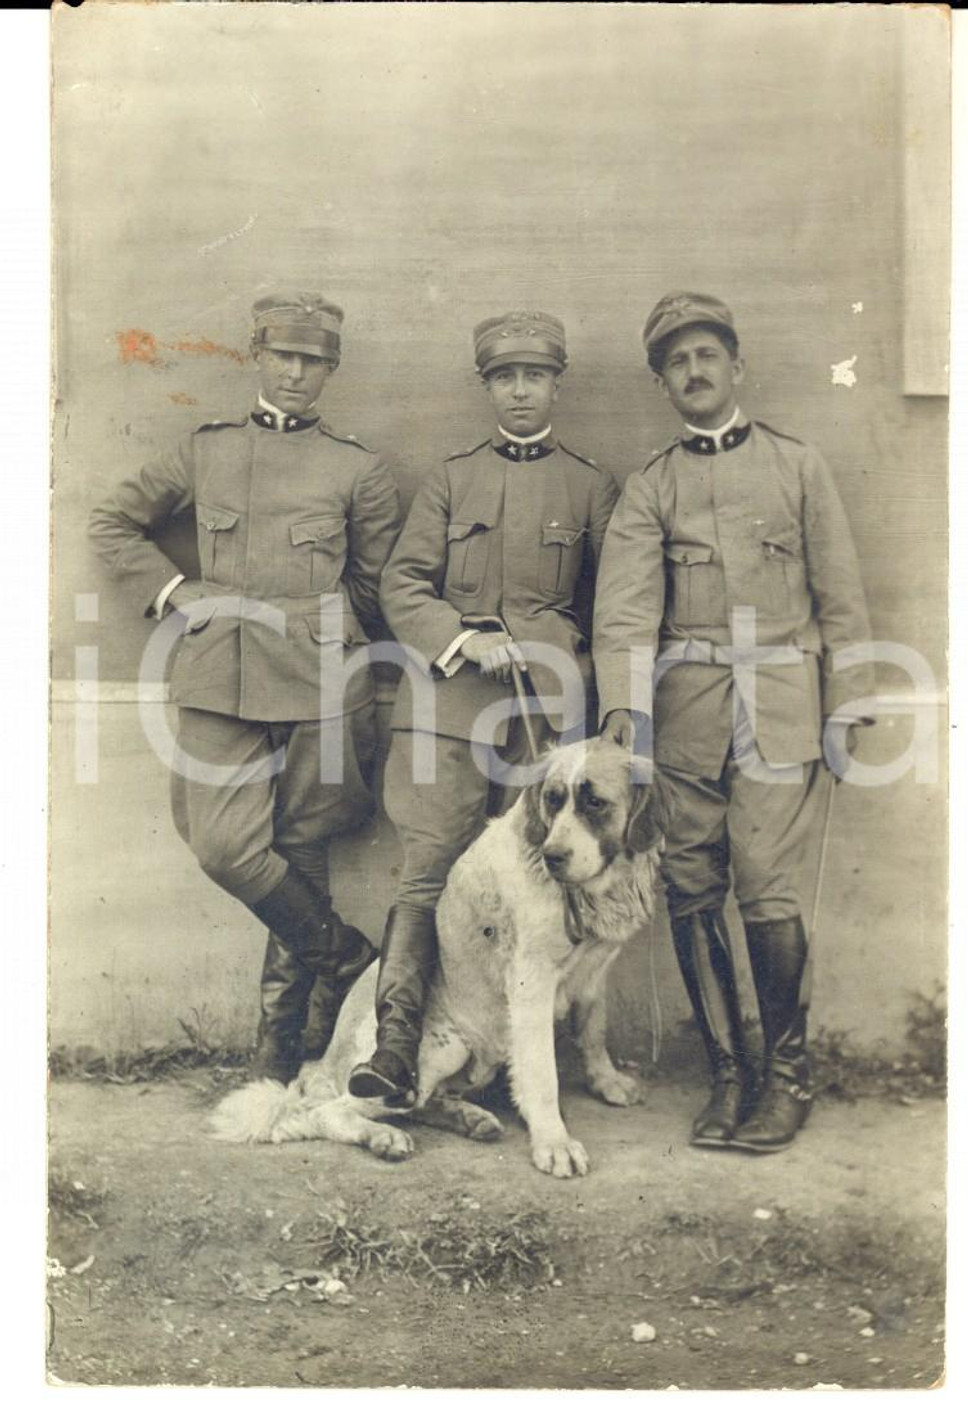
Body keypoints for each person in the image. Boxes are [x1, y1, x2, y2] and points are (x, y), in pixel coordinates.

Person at [89, 293, 402, 1085]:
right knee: (225, 847)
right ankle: (346, 954)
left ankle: (279, 1049)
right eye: (283, 355)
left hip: (319, 680)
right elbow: (112, 523)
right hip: (218, 673)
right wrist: (171, 593)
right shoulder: (206, 451)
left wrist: (331, 643)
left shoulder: (357, 467)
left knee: (301, 850)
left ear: (331, 368)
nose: (296, 373)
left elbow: (373, 586)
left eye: (314, 360)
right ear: (257, 355)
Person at [593, 292, 874, 1153]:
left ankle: (785, 1080)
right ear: (662, 382)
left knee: (767, 882)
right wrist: (623, 718)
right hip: (687, 716)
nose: (695, 370)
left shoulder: (797, 466)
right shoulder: (653, 484)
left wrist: (850, 697)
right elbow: (626, 613)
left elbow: (841, 593)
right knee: (690, 883)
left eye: (708, 354)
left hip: (782, 706)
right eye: (677, 361)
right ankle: (728, 1076)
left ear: (737, 366)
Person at [348, 310, 621, 1103]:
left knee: (544, 881)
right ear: (488, 386)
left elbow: (617, 606)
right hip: (445, 710)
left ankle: (543, 1061)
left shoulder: (589, 484)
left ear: (557, 384)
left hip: (546, 723)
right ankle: (397, 1048)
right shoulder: (450, 478)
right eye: (505, 376)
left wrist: (578, 676)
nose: (521, 390)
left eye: (535, 375)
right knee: (428, 874)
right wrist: (460, 641)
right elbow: (402, 584)